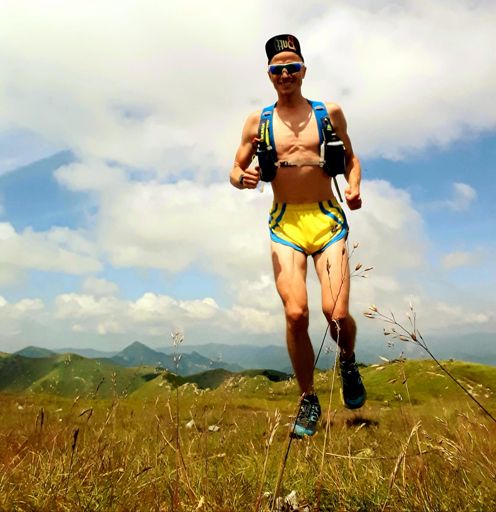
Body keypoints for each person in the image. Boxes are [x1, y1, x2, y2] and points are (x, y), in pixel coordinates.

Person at [230, 34, 366, 438]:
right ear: (269, 74)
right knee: (295, 313)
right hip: (285, 223)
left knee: (336, 315)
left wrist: (354, 186)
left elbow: (351, 159)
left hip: (326, 219)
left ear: (304, 70)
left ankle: (347, 359)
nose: (285, 74)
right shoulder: (258, 122)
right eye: (278, 69)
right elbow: (235, 169)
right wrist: (242, 178)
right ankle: (308, 400)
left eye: (292, 67)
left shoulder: (328, 113)